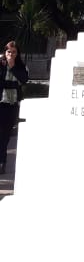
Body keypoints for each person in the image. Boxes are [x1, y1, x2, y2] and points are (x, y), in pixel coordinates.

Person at [0, 41, 28, 174]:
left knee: (5, 136)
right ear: (5, 53)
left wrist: (12, 67)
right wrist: (13, 84)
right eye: (8, 52)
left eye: (14, 52)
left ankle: (2, 163)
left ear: (17, 54)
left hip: (11, 106)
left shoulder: (21, 67)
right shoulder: (1, 65)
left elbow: (24, 80)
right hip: (1, 102)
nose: (11, 54)